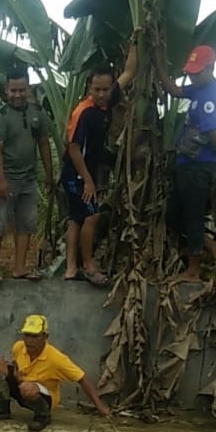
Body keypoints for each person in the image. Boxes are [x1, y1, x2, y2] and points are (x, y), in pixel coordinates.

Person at [61, 36, 138, 287]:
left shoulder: (109, 98)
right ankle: (88, 266)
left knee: (76, 219)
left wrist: (134, 42)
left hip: (87, 171)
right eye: (97, 89)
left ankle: (70, 269)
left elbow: (129, 71)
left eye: (106, 89)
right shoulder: (83, 112)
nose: (103, 94)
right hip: (76, 173)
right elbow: (72, 148)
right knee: (91, 216)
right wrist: (88, 181)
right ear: (89, 87)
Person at [154, 43, 216, 282]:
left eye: (196, 72)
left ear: (210, 68)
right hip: (185, 163)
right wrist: (158, 60)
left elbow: (215, 132)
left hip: (199, 165)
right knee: (175, 215)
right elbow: (175, 91)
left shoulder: (211, 94)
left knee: (192, 216)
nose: (192, 77)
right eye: (190, 72)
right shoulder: (197, 88)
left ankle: (193, 271)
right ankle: (212, 246)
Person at [0, 313, 110, 431]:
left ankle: (42, 416)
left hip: (43, 396)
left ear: (45, 337)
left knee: (27, 388)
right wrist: (15, 372)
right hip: (22, 385)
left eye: (35, 336)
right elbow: (15, 361)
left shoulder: (56, 359)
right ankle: (0, 407)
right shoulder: (18, 347)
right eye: (27, 335)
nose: (29, 341)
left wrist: (100, 406)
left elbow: (82, 378)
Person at [0, 68, 53, 284]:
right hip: (6, 179)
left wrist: (49, 174)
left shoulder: (37, 112)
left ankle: (19, 267)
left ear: (28, 89)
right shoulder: (0, 117)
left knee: (27, 224)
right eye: (13, 90)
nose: (18, 94)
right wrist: (1, 181)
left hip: (29, 180)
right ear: (6, 90)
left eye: (22, 90)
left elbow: (43, 143)